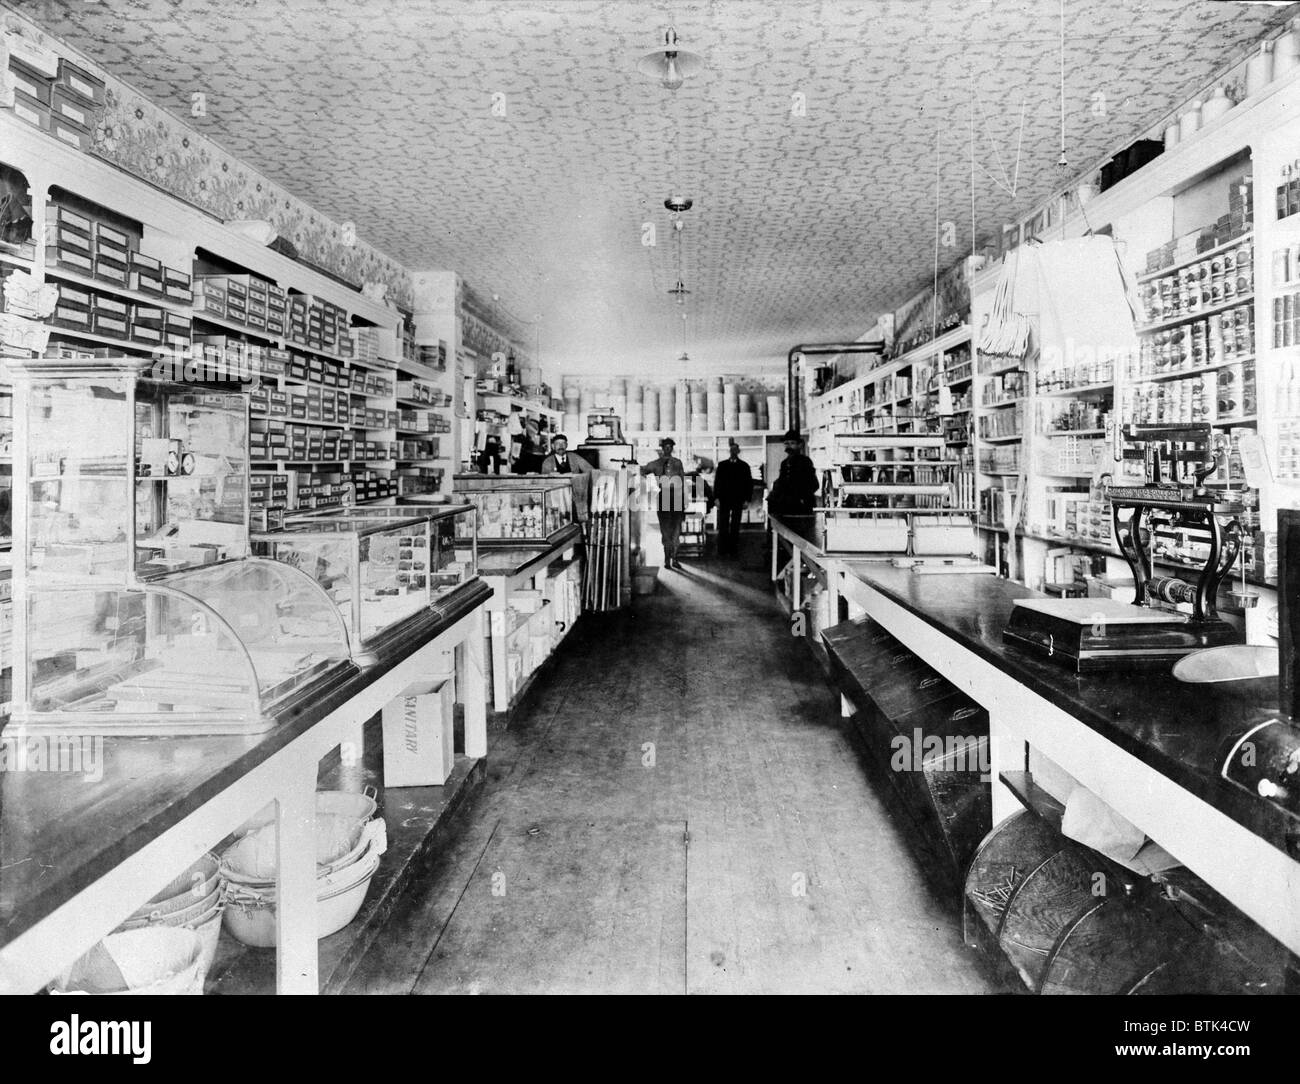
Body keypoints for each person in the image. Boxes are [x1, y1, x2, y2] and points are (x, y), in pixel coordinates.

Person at [640, 436, 687, 569]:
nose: (668, 449)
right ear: (662, 448)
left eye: (670, 446)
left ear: (672, 448)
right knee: (666, 530)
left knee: (676, 530)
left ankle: (675, 558)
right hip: (663, 497)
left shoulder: (678, 463)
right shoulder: (655, 463)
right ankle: (667, 558)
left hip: (677, 498)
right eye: (666, 446)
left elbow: (683, 481)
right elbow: (642, 471)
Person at [540, 433, 594, 527]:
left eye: (563, 443)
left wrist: (578, 477)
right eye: (557, 444)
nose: (560, 446)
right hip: (557, 500)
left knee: (579, 524)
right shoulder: (548, 462)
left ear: (567, 445)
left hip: (575, 498)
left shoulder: (574, 457)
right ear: (553, 446)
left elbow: (590, 470)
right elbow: (545, 482)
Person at [713, 440, 754, 557]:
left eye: (736, 450)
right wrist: (716, 498)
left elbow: (748, 484)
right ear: (729, 451)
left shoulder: (744, 466)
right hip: (724, 499)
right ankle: (722, 550)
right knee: (723, 524)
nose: (733, 452)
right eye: (732, 450)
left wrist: (747, 499)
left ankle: (733, 550)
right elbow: (717, 483)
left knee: (735, 525)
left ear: (738, 451)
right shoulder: (722, 465)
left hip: (738, 500)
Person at [767, 429, 819, 518]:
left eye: (792, 443)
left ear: (800, 445)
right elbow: (782, 482)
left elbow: (814, 484)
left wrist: (801, 498)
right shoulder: (784, 463)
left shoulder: (805, 461)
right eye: (786, 443)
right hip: (785, 506)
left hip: (801, 506)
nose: (789, 446)